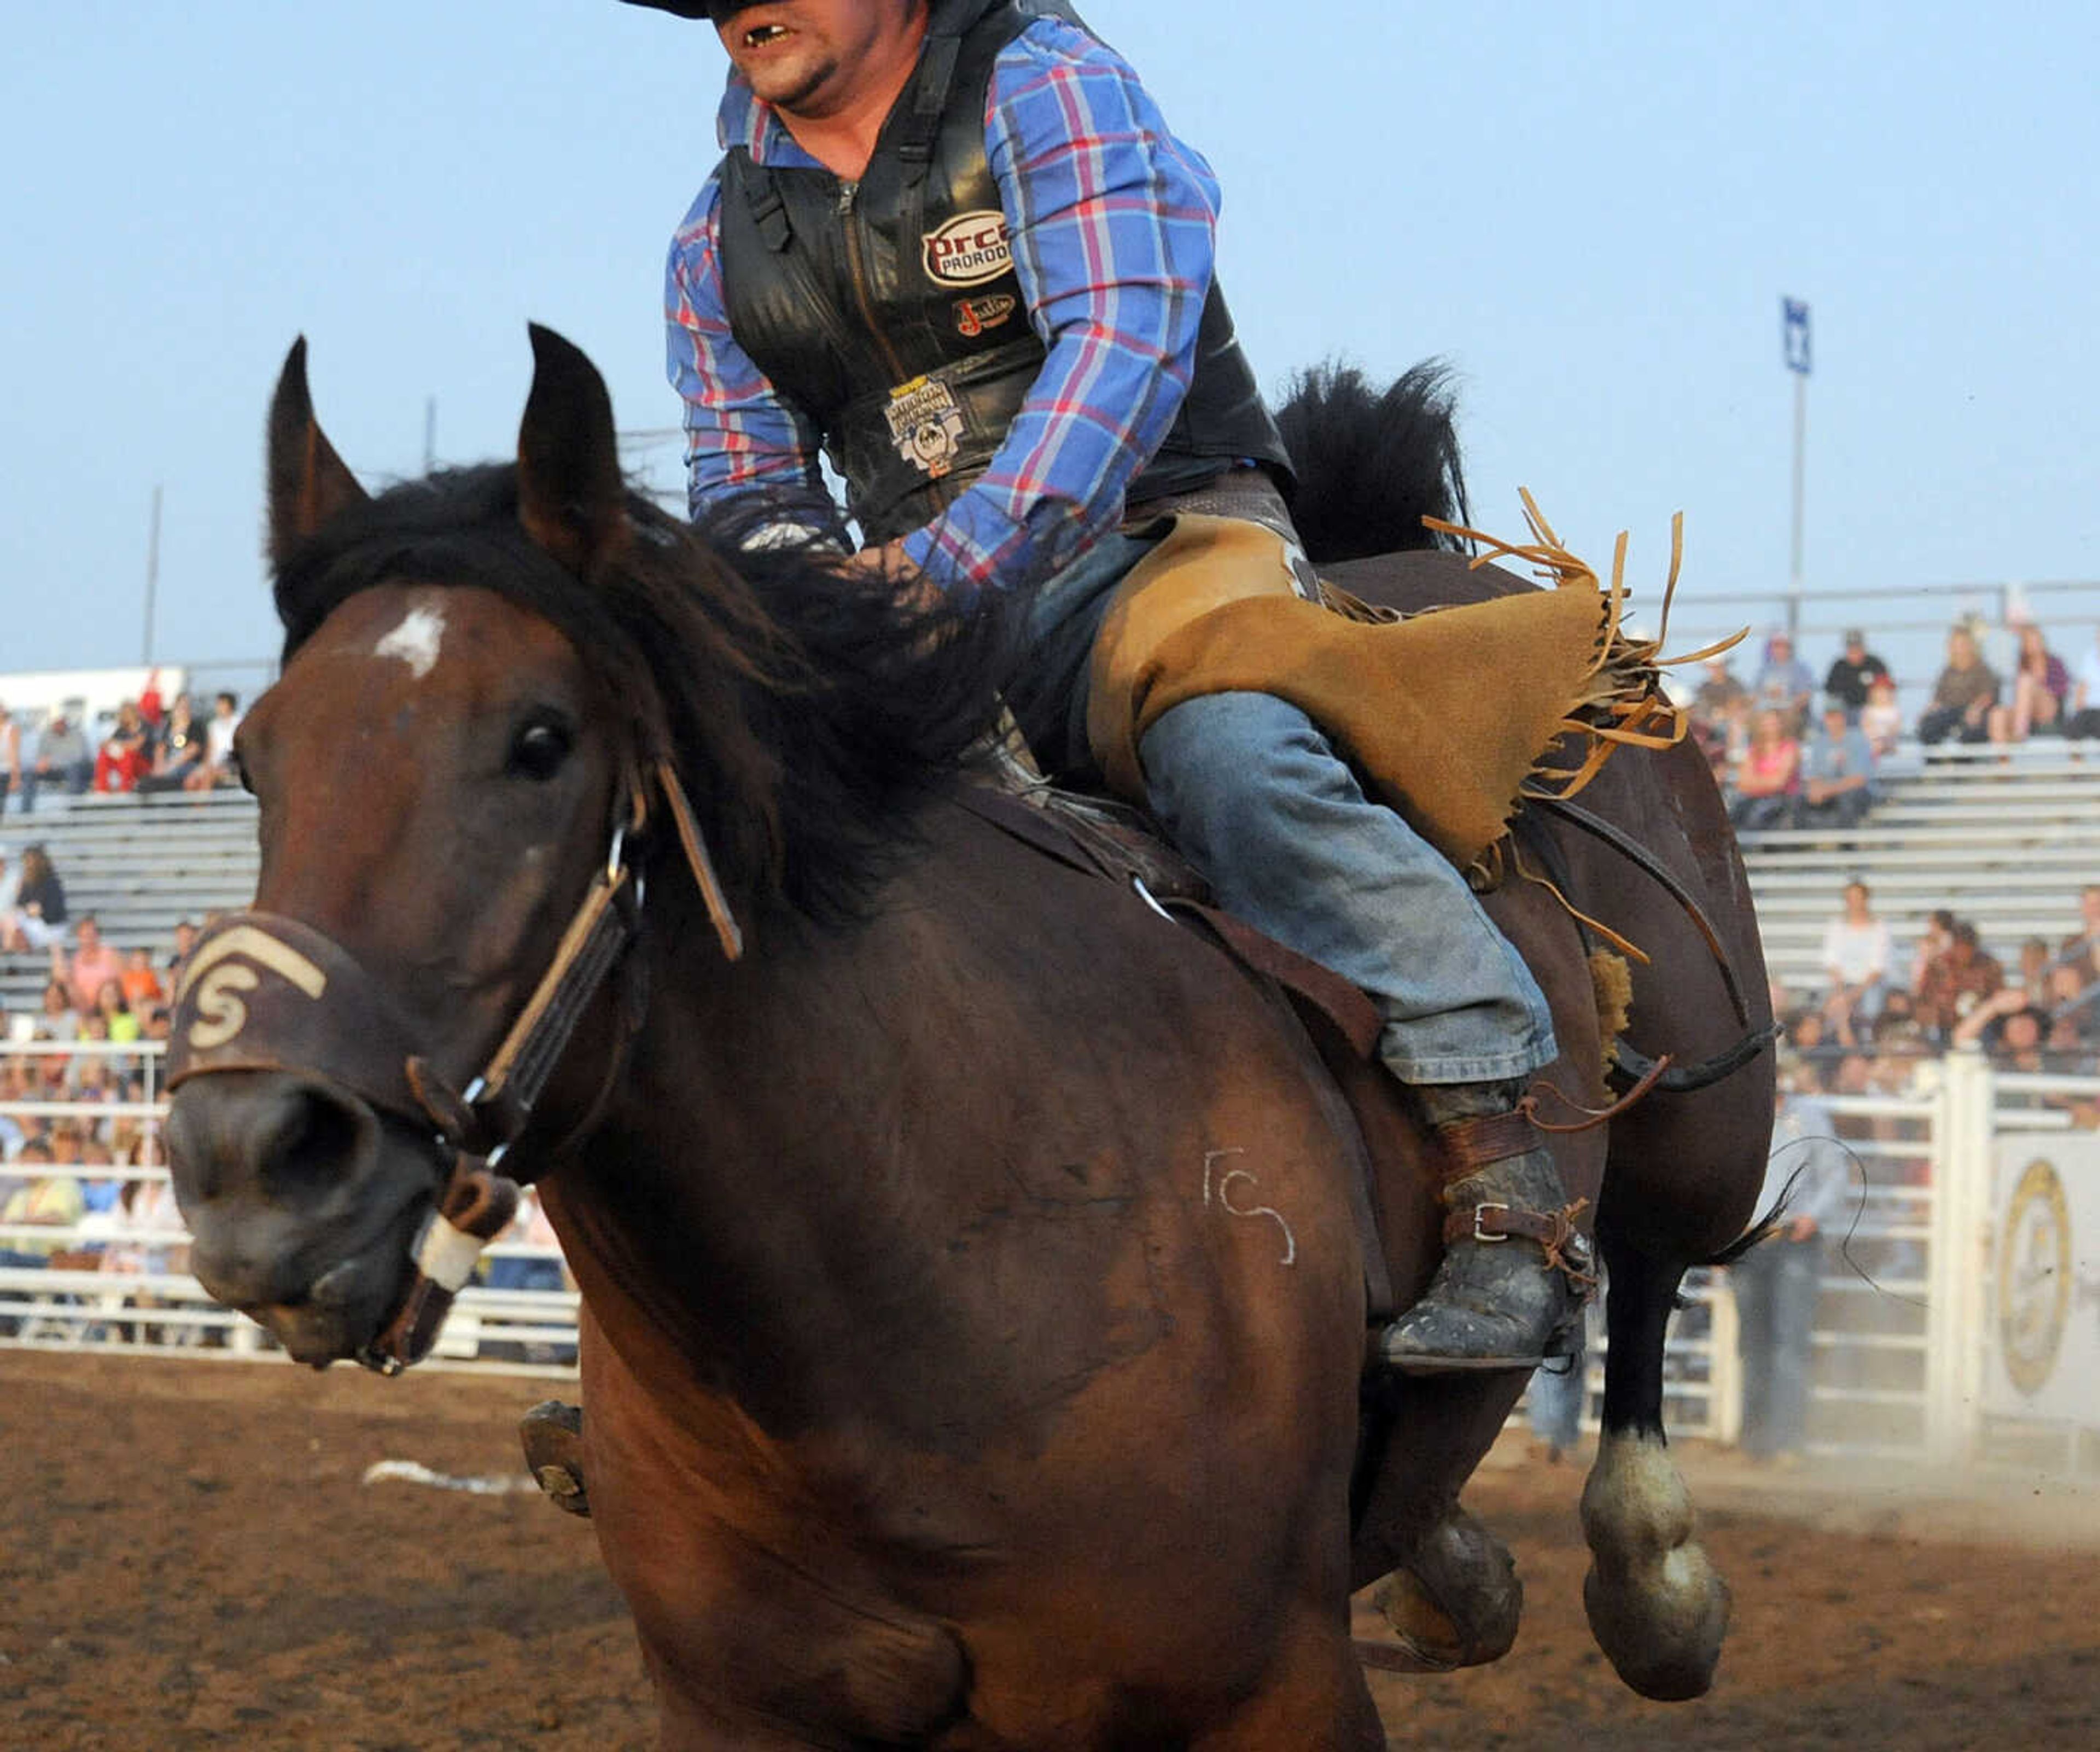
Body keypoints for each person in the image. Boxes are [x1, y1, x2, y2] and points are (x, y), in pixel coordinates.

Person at [640, 0, 1586, 1370]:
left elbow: (1121, 357)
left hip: (1162, 535)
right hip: (919, 601)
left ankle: (1503, 1168)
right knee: (743, 842)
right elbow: (744, 474)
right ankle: (729, 1335)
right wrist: (808, 597)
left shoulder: (1047, 82)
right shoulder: (707, 234)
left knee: (1232, 757)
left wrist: (935, 573)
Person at [1731, 1070, 1850, 1465]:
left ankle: (1783, 1438)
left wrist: (1812, 1217)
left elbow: (1835, 1175)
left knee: (1787, 1343)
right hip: (1752, 1240)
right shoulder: (1744, 1115)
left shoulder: (1808, 1116)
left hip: (1792, 1239)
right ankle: (1758, 1439)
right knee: (1756, 1342)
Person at [1817, 880, 1892, 1047]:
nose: (1854, 903)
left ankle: (1864, 1042)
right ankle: (1840, 1043)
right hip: (1842, 984)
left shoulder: (1880, 927)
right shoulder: (1836, 926)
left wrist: (1851, 996)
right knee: (1830, 1005)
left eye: (1858, 898)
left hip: (1868, 985)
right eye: (1850, 898)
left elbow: (1877, 968)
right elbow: (1832, 963)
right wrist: (1841, 992)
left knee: (1870, 1004)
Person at [1912, 919, 2004, 1041]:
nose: (1963, 952)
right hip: (1945, 1026)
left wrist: (1981, 1008)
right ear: (1953, 945)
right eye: (1959, 946)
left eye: (1968, 947)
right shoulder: (1937, 966)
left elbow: (1999, 996)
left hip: (1981, 1026)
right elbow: (1923, 999)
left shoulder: (1989, 966)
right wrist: (1942, 1010)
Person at [1795, 701, 1876, 832]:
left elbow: (1858, 780)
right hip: (1829, 792)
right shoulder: (1819, 742)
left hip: (1855, 793)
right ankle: (1800, 844)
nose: (1833, 721)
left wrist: (1828, 790)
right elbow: (1813, 775)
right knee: (1798, 799)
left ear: (1844, 718)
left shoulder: (1858, 739)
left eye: (1837, 716)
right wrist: (1816, 789)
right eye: (1829, 717)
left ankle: (1847, 845)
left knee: (1847, 799)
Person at [1915, 625, 1999, 747]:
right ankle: (1936, 762)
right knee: (1929, 729)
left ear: (1970, 646)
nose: (1958, 649)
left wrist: (1976, 709)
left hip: (1972, 712)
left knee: (1971, 732)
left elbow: (1988, 695)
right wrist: (1925, 714)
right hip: (1950, 712)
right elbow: (1938, 700)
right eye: (1955, 645)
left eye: (1961, 645)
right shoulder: (1948, 671)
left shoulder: (1981, 669)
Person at [1987, 623, 2070, 744]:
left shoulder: (2055, 663)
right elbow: (2016, 700)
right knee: (1997, 714)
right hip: (2026, 713)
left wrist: (2036, 687)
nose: (2033, 644)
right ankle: (2003, 759)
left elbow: (2061, 693)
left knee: (2026, 681)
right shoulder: (2021, 665)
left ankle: (2020, 734)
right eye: (2029, 641)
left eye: (2035, 640)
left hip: (2049, 708)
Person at [1726, 707, 1800, 830]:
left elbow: (1780, 782)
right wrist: (1768, 780)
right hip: (1754, 798)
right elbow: (1742, 783)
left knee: (1756, 818)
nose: (1770, 727)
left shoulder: (1790, 747)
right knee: (1733, 815)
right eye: (1767, 723)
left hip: (1783, 799)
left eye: (1774, 723)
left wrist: (1755, 781)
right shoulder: (1754, 749)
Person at [0, 845, 68, 951]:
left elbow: (55, 913)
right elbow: (21, 903)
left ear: (40, 862)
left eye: (32, 861)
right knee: (11, 917)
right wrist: (28, 910)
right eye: (27, 861)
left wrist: (40, 911)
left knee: (13, 919)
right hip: (35, 924)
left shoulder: (52, 883)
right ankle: (11, 948)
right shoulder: (28, 882)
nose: (29, 865)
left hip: (51, 927)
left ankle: (10, 948)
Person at [21, 713, 91, 811]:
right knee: (29, 773)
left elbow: (78, 757)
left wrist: (52, 760)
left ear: (66, 723)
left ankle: (74, 813)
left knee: (74, 770)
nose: (58, 726)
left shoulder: (77, 735)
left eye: (61, 723)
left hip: (72, 770)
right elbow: (41, 756)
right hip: (52, 770)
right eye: (56, 723)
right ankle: (26, 814)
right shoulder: (46, 735)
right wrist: (43, 763)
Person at [1751, 630, 1816, 731]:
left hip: (1790, 710)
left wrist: (1792, 706)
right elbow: (1755, 695)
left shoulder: (1800, 669)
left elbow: (1806, 695)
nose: (1780, 649)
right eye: (1776, 646)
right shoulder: (1764, 670)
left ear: (1789, 648)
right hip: (1767, 710)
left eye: (1783, 646)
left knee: (1786, 718)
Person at [1822, 628, 1889, 718]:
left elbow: (1886, 686)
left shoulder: (1875, 664)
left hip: (1871, 711)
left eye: (1857, 647)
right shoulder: (1839, 667)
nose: (1854, 651)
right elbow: (1830, 690)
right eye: (1851, 647)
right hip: (1845, 712)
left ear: (1863, 647)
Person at [91, 700, 151, 794]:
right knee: (104, 754)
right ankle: (102, 789)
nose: (126, 715)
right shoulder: (121, 730)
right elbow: (106, 744)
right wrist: (111, 745)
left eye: (128, 712)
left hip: (143, 764)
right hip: (125, 764)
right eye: (123, 713)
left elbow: (136, 745)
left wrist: (118, 745)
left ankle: (125, 789)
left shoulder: (145, 726)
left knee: (127, 755)